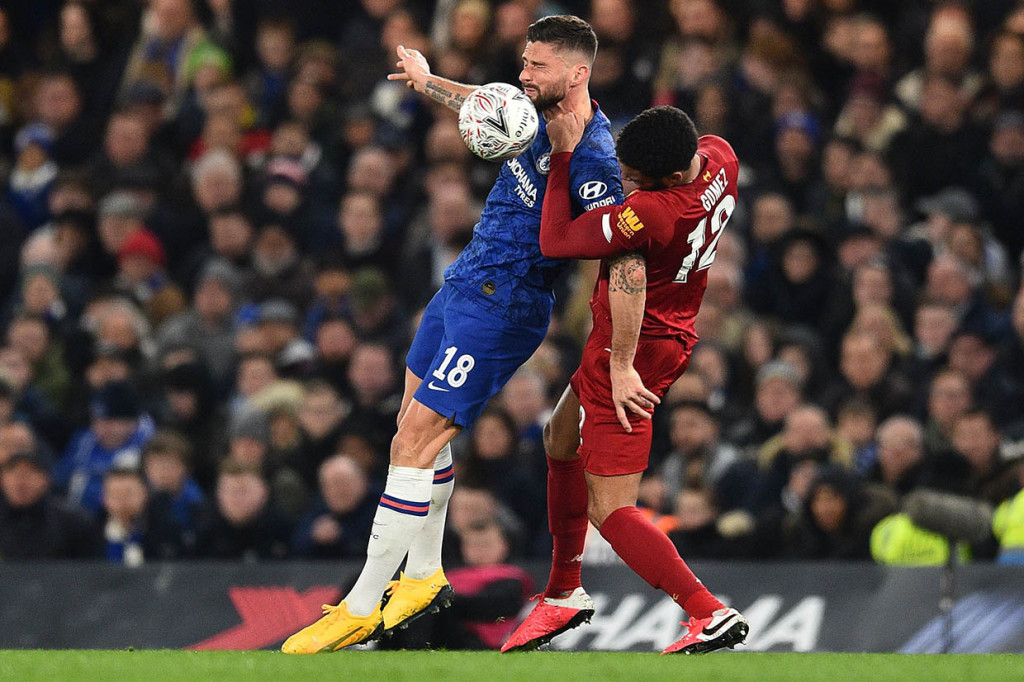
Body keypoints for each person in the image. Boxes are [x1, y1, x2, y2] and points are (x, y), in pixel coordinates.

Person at [282, 15, 623, 654]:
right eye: (523, 61)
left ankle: (361, 605)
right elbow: (485, 103)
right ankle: (423, 573)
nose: (523, 75)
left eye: (537, 65)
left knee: (416, 439)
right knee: (410, 431)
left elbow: (609, 238)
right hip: (461, 288)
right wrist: (426, 80)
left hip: (503, 310)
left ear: (577, 74)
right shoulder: (528, 111)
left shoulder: (595, 154)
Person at [501, 105, 748, 655]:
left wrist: (564, 156)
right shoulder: (721, 158)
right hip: (672, 330)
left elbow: (559, 240)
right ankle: (563, 589)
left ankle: (708, 612)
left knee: (610, 508)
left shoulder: (653, 213)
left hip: (631, 348)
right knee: (560, 436)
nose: (627, 181)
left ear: (665, 179)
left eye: (634, 175)